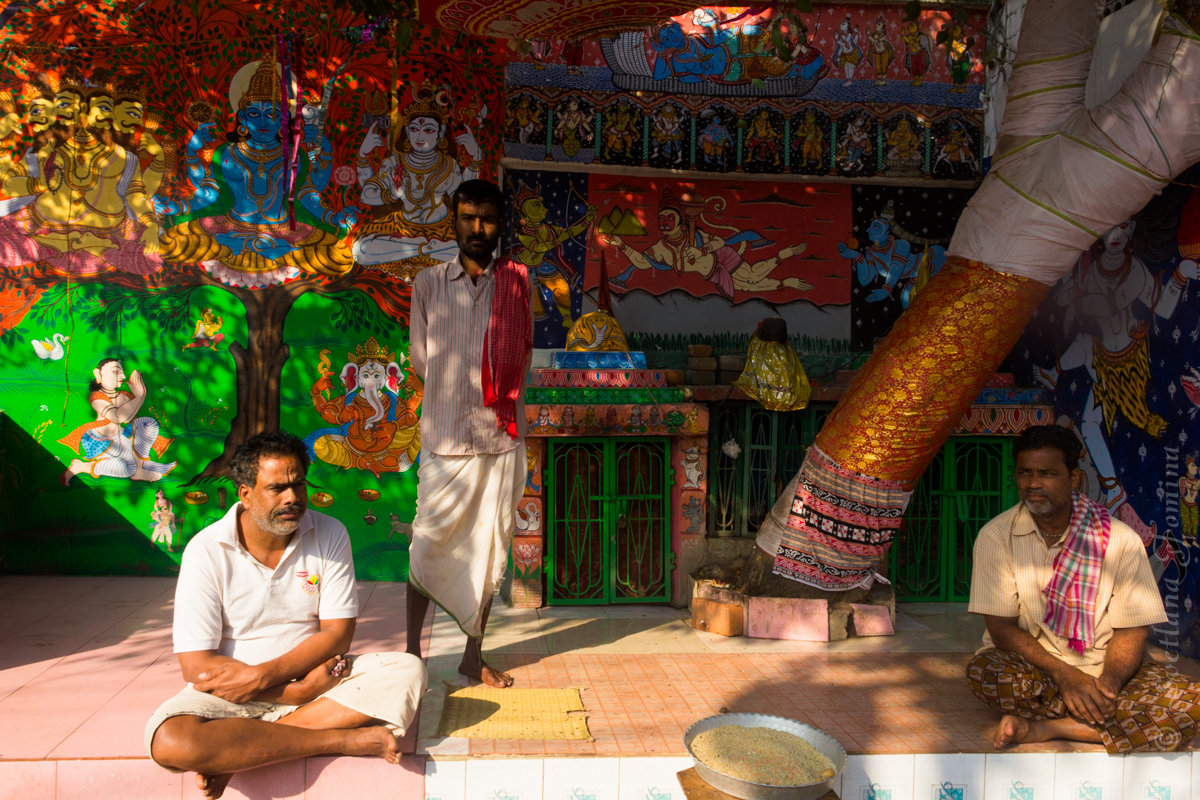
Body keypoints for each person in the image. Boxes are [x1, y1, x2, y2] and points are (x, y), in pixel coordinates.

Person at [144, 431, 427, 799]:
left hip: (314, 684)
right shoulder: (206, 551)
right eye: (277, 488)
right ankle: (340, 740)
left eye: (298, 485)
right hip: (230, 694)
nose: (292, 498)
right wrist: (286, 692)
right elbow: (195, 666)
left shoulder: (329, 534)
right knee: (169, 741)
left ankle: (237, 755)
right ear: (245, 494)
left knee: (408, 671)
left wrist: (279, 684)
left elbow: (337, 636)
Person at [965, 424, 1200, 753]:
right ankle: (1124, 721)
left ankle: (1046, 729)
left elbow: (1132, 629)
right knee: (986, 673)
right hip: (1040, 669)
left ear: (1074, 479)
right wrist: (1066, 676)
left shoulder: (1120, 540)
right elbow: (1002, 630)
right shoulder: (996, 537)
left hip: (1108, 669)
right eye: (1025, 473)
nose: (1033, 484)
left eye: (1047, 474)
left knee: (1194, 703)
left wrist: (1108, 685)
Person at [406, 179, 531, 688]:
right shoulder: (429, 284)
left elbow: (521, 351)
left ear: (502, 224)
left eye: (488, 218)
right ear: (452, 221)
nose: (478, 228)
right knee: (426, 543)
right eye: (468, 217)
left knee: (488, 550)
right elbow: (420, 361)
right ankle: (411, 652)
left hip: (498, 439)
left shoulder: (517, 283)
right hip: (445, 439)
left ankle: (470, 655)